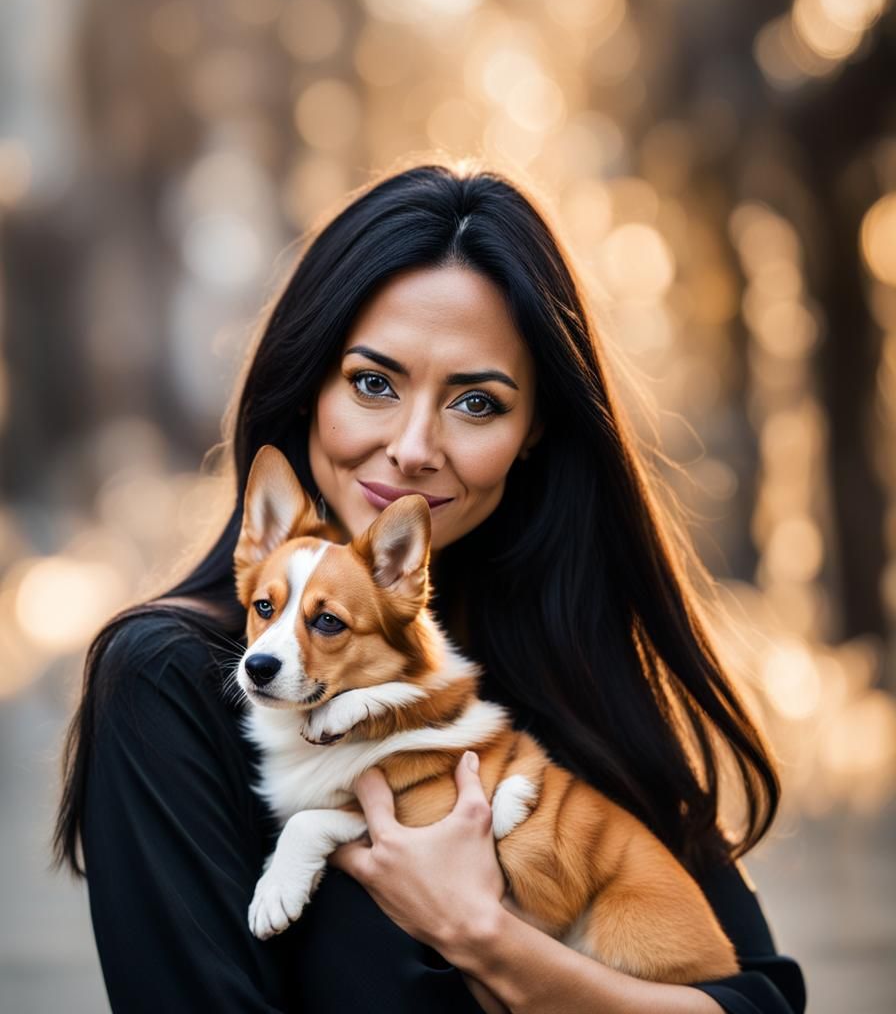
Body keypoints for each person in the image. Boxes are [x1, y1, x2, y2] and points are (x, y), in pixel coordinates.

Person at [54, 162, 807, 1014]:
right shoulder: (168, 680)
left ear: (533, 434)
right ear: (308, 389)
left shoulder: (566, 659)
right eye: (373, 383)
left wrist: (485, 939)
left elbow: (758, 1000)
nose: (413, 447)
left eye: (477, 403)